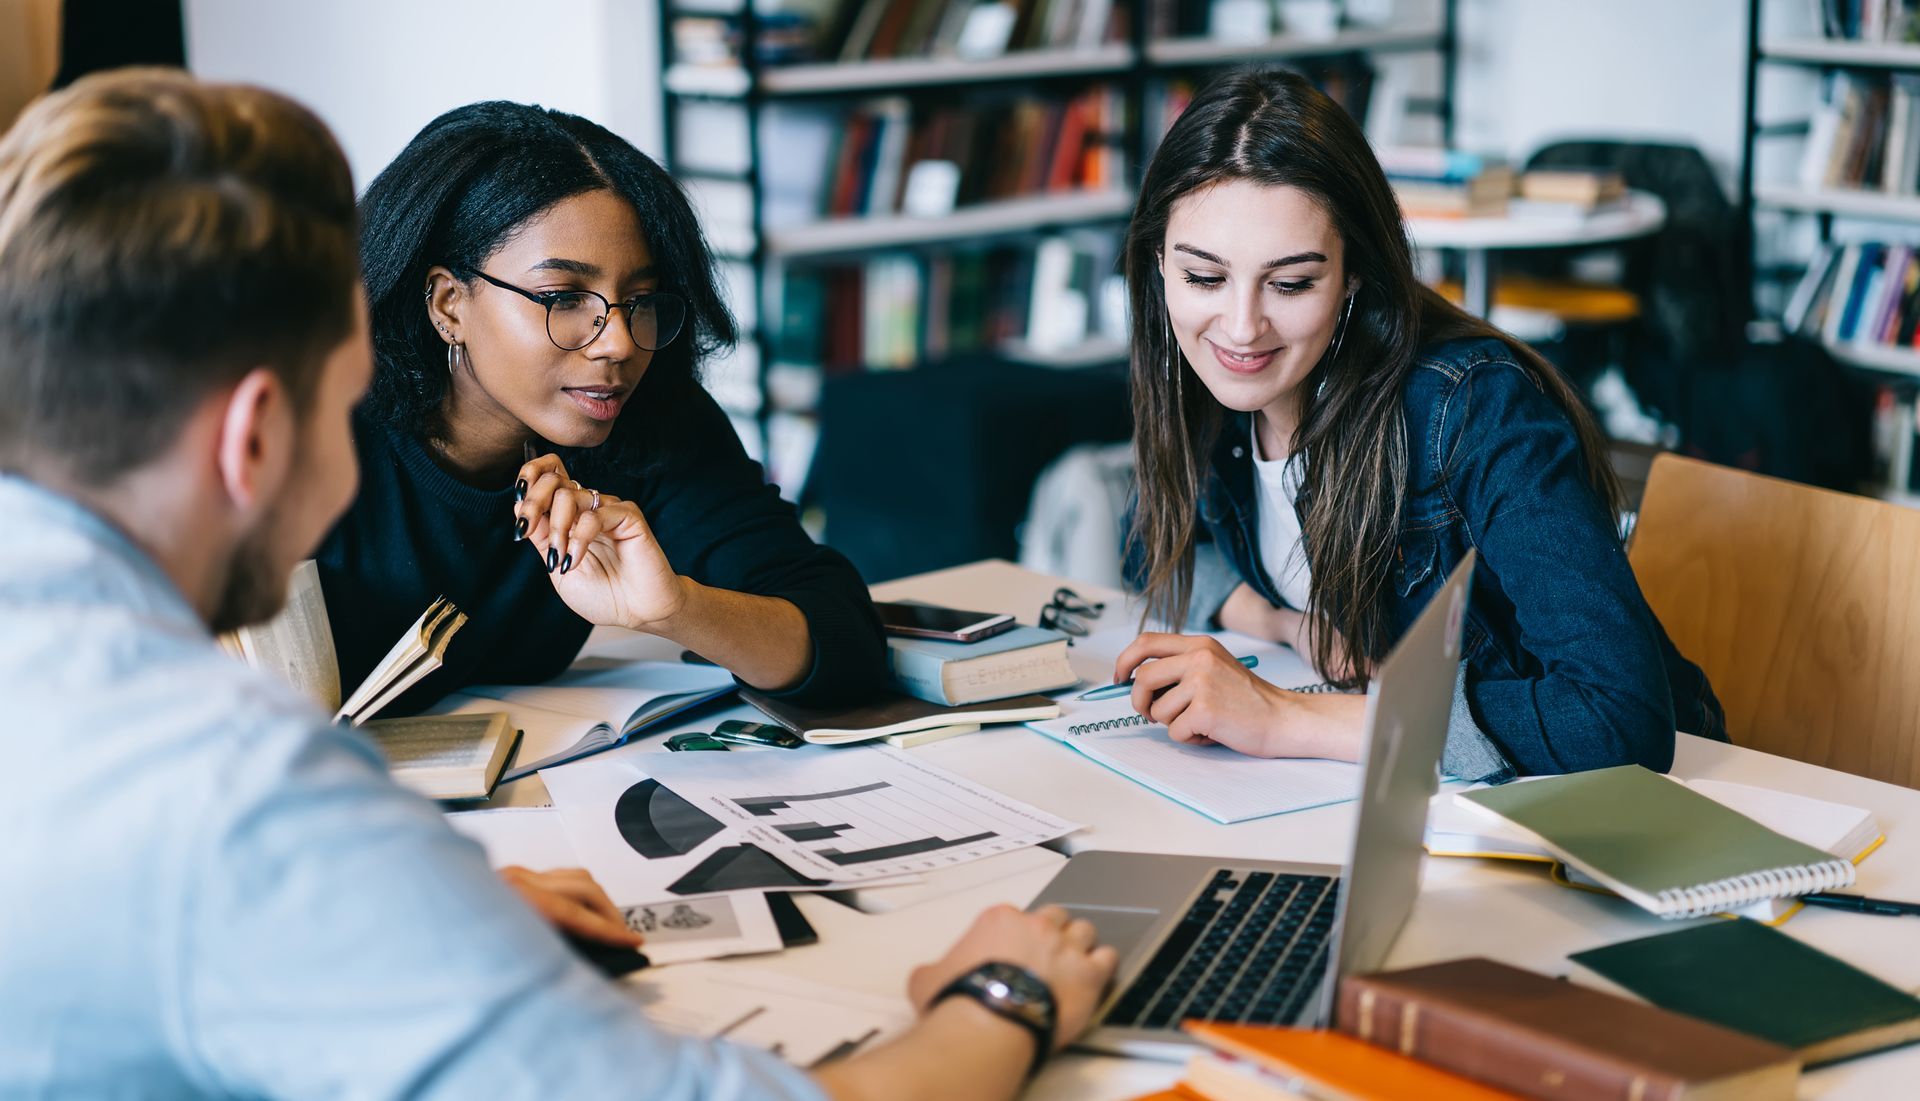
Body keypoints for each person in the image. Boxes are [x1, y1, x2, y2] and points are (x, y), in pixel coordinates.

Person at [0, 69, 1114, 1099]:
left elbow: (830, 622)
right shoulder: (245, 793)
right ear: (257, 438)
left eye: (636, 302)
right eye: (341, 394)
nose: (613, 343)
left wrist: (406, 907)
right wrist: (1002, 999)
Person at [1114, 69, 1725, 782]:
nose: (1242, 327)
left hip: (1615, 807)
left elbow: (1618, 719)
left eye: (1290, 283)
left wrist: (1281, 716)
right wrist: (1288, 625)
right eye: (1204, 278)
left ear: (1353, 277)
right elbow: (1151, 537)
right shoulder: (1210, 385)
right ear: (1159, 263)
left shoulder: (1473, 408)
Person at [315, 100, 886, 715]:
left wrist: (675, 608)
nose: (617, 342)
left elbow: (845, 644)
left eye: (639, 299)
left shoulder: (648, 419)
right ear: (449, 304)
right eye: (563, 297)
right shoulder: (308, 432)